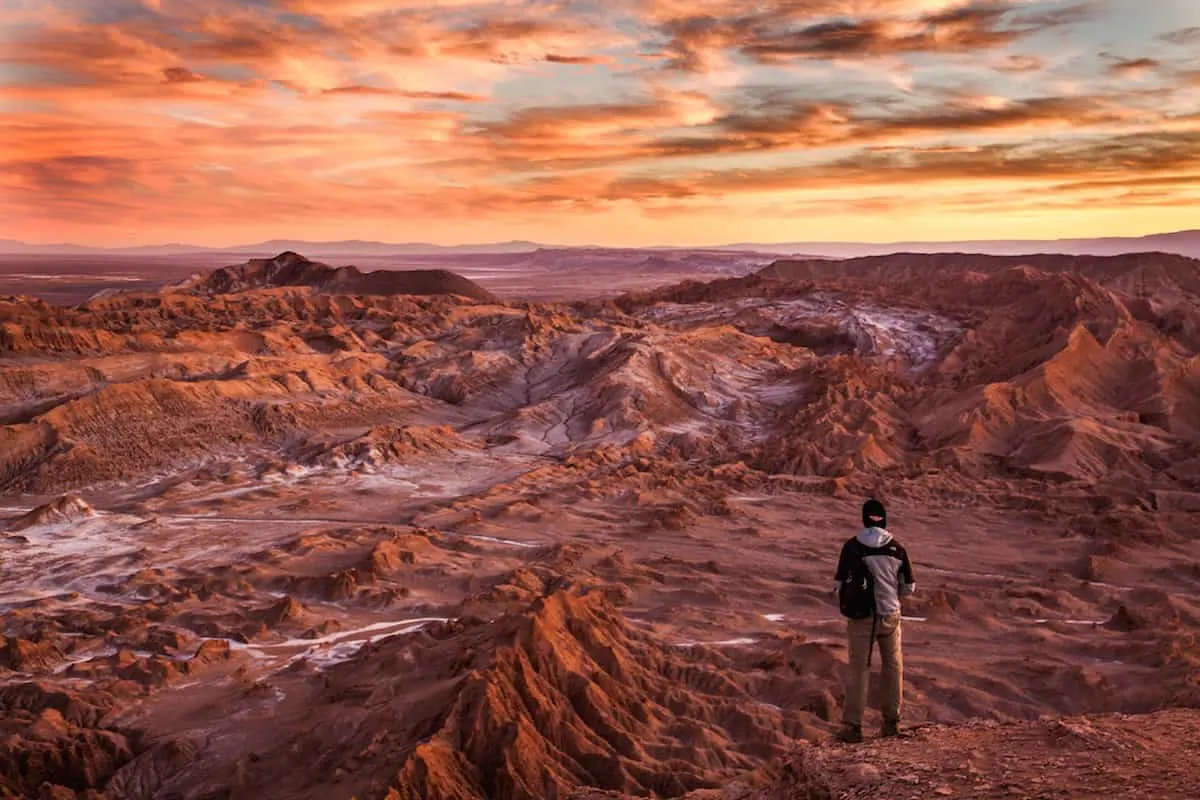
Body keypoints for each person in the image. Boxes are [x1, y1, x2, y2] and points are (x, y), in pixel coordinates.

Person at [833, 498, 915, 743]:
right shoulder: (897, 549)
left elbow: (838, 584)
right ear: (884, 518)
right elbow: (908, 587)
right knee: (893, 667)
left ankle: (853, 727)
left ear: (864, 518)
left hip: (861, 619)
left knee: (859, 670)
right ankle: (891, 723)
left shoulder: (851, 547)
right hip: (890, 616)